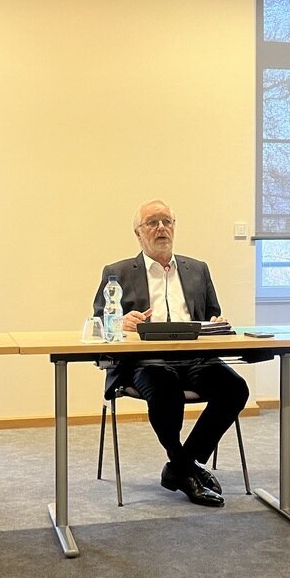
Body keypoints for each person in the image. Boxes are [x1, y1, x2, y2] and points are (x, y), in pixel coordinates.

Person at [93, 199, 249, 507]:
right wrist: (120, 321)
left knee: (235, 389)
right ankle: (187, 470)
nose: (161, 228)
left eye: (167, 222)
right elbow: (99, 321)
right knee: (167, 393)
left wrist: (217, 322)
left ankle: (179, 466)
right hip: (146, 360)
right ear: (138, 234)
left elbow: (212, 315)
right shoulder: (117, 272)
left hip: (195, 358)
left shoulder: (197, 269)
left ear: (175, 228)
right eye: (152, 223)